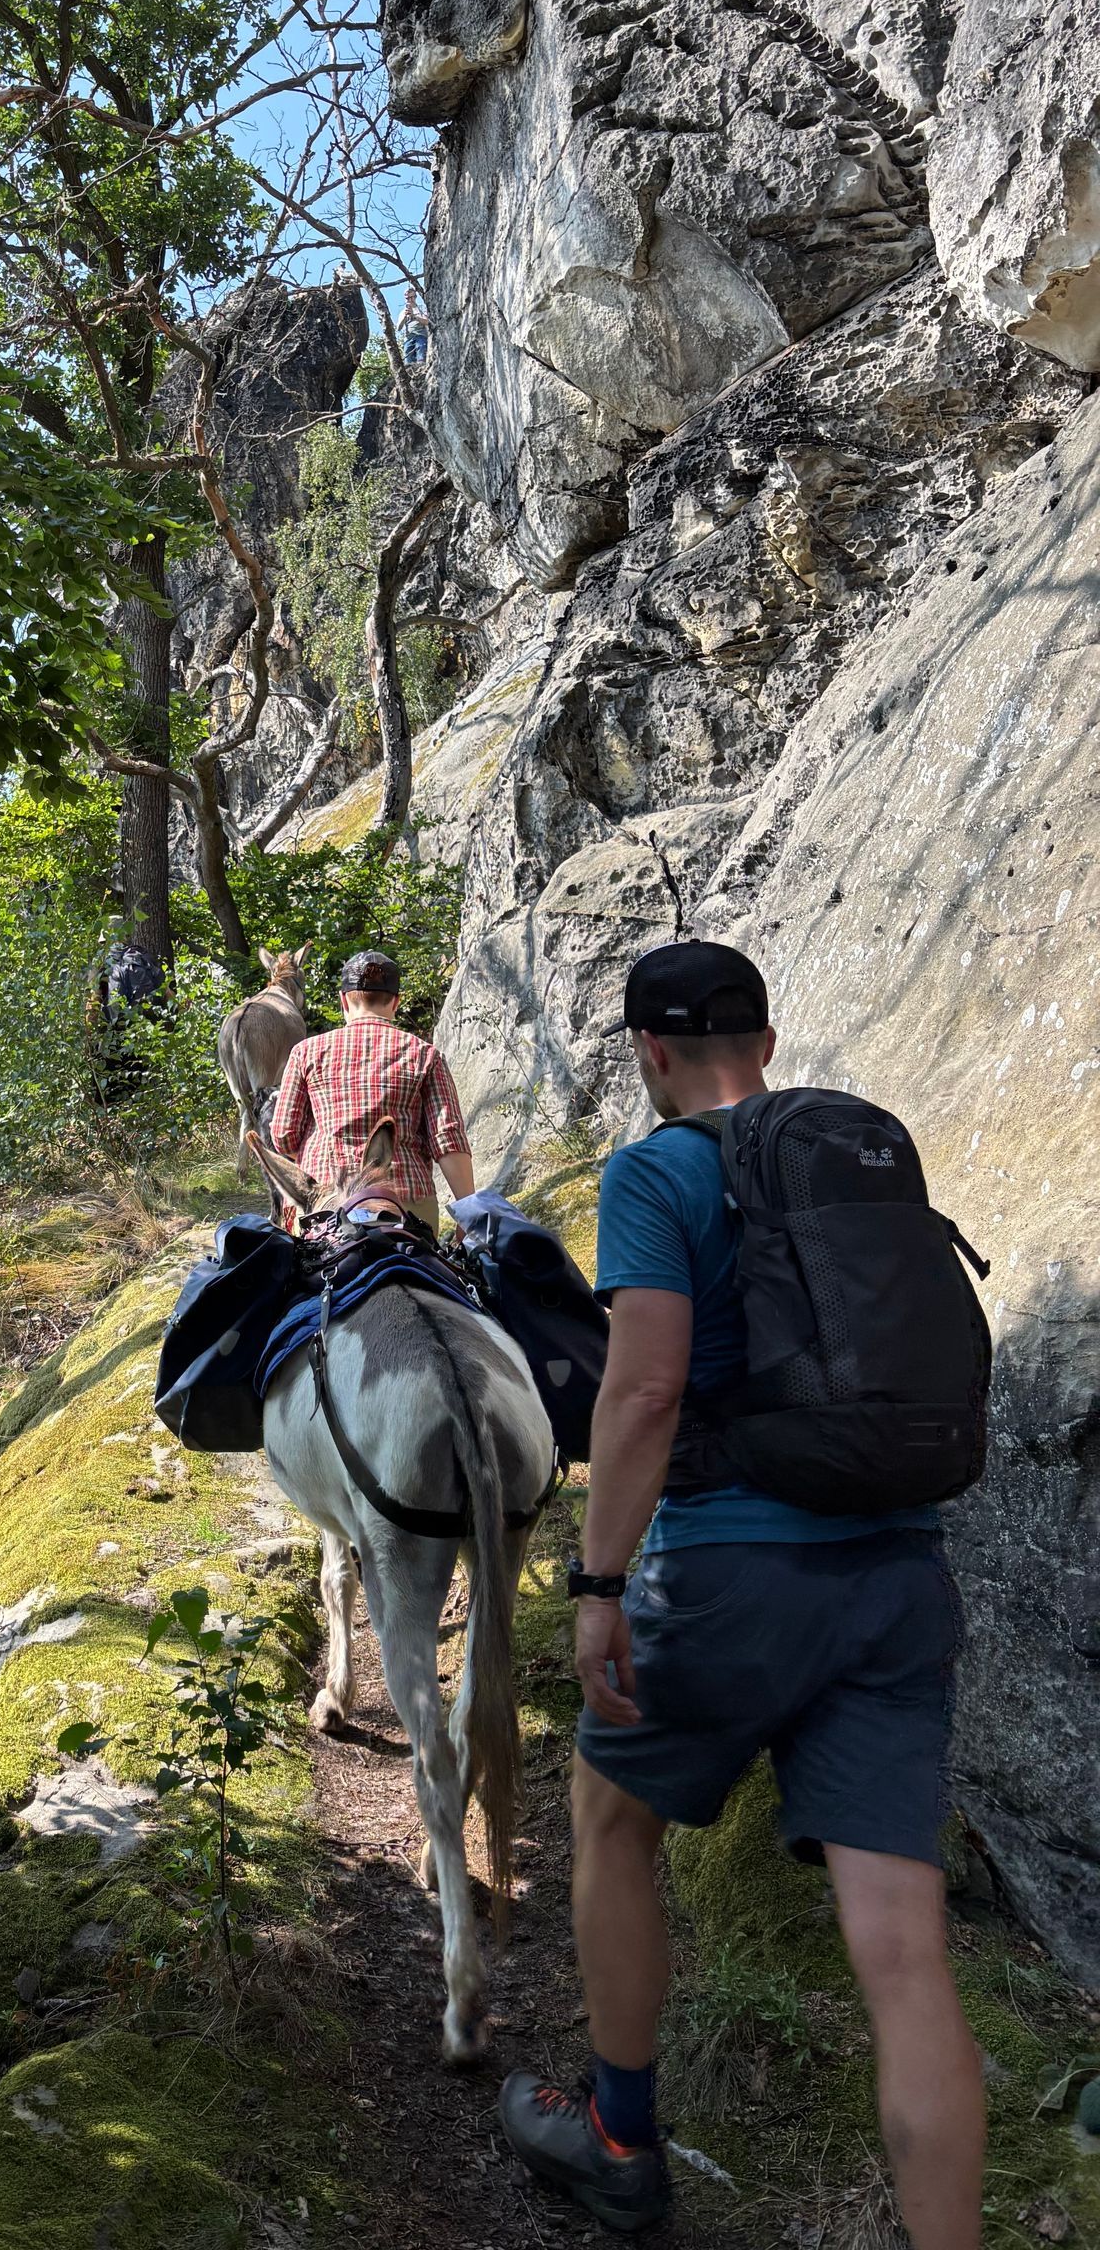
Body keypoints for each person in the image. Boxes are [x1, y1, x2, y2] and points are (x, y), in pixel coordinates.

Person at [498, 940, 982, 2244]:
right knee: (904, 1949)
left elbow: (645, 1389)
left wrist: (599, 1582)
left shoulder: (656, 1170)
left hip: (729, 1574)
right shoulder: (857, 1152)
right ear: (765, 1044)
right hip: (898, 1572)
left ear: (649, 1054)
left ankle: (618, 2138)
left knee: (610, 1816)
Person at [265, 950, 473, 1231]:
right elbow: (447, 1140)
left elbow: (284, 1136)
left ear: (343, 1001)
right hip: (405, 1205)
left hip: (327, 1205)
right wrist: (469, 1215)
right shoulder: (425, 1055)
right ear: (396, 1002)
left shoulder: (306, 1053)